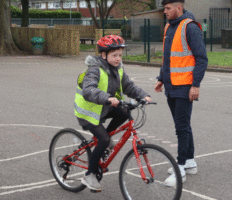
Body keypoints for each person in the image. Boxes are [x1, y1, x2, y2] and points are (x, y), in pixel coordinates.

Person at [75, 35, 151, 191]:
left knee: (124, 112)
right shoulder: (95, 69)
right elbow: (88, 90)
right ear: (104, 55)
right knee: (103, 140)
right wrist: (108, 98)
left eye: (120, 56)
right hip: (88, 111)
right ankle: (89, 176)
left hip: (103, 107)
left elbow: (129, 86)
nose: (118, 59)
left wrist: (143, 95)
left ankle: (105, 139)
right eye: (114, 55)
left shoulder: (118, 68)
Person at [154, 0, 208, 187]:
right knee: (182, 125)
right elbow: (168, 58)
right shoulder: (169, 27)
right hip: (171, 86)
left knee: (181, 128)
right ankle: (190, 162)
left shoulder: (190, 27)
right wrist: (161, 78)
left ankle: (180, 168)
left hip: (185, 86)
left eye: (168, 8)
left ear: (179, 7)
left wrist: (196, 85)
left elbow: (201, 58)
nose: (165, 12)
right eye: (164, 9)